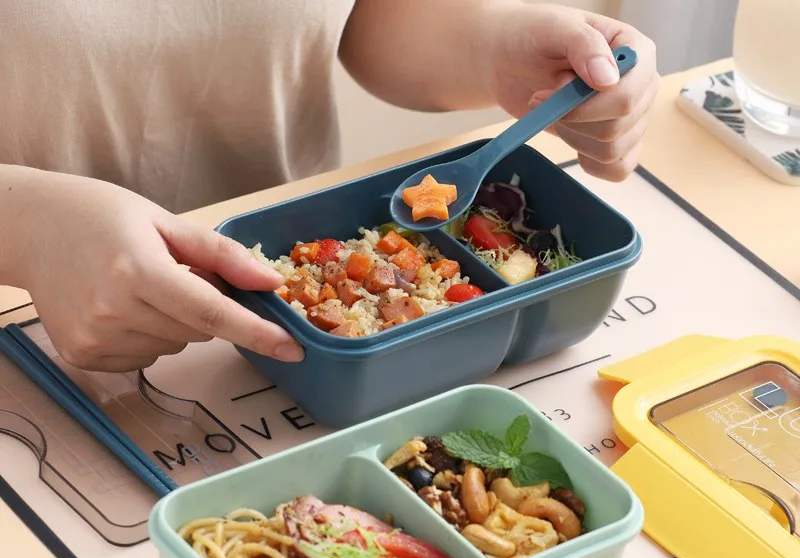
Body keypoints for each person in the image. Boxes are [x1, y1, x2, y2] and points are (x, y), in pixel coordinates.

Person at [0, 1, 658, 372]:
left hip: (284, 306)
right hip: (30, 317)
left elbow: (355, 17)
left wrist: (496, 46)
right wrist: (27, 228)